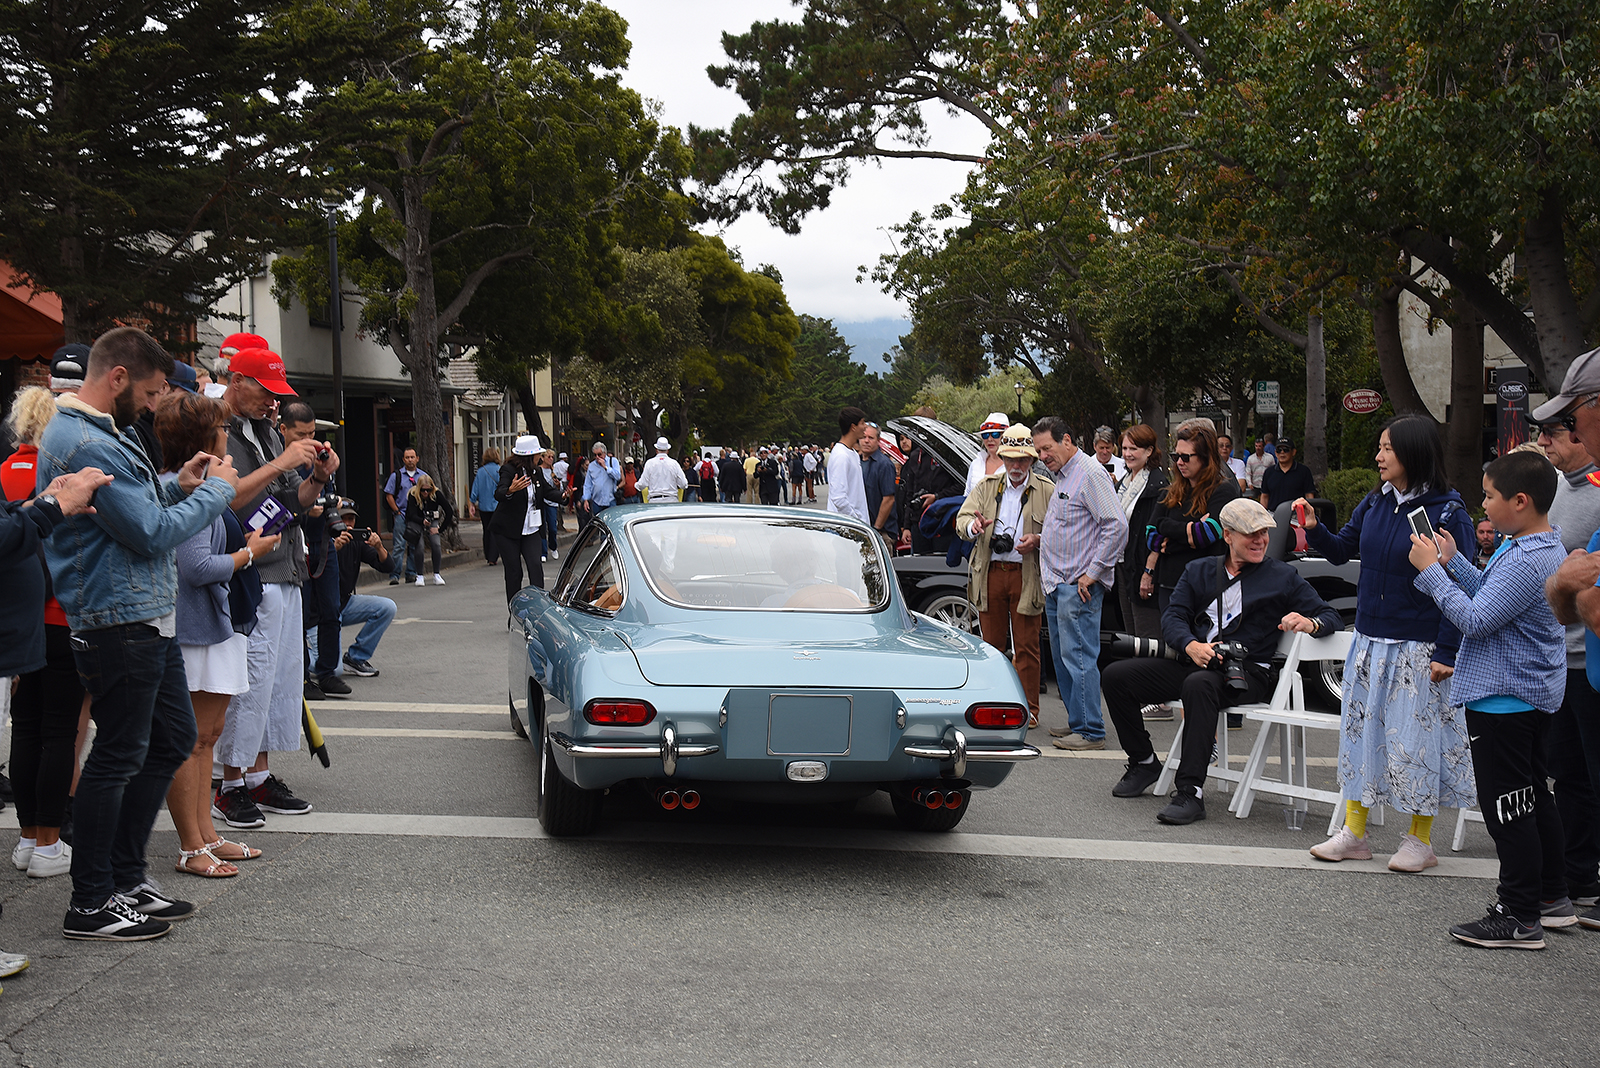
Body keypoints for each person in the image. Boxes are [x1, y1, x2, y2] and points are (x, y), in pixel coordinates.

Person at [37, 326, 238, 940]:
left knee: (170, 737)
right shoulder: (80, 437)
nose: (155, 406)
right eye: (151, 393)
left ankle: (122, 879)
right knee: (119, 755)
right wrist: (219, 492)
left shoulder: (101, 432)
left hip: (140, 613)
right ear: (117, 377)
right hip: (117, 616)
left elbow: (138, 510)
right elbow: (149, 534)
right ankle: (94, 898)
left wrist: (176, 485)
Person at [1299, 415, 1476, 870]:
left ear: (1414, 454)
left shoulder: (1448, 513)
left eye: (1387, 449)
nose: (1378, 457)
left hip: (1418, 648)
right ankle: (1354, 833)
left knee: (1416, 743)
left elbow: (1462, 586)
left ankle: (1420, 840)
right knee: (1362, 736)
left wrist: (1447, 650)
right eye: (1379, 447)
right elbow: (1342, 551)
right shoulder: (1376, 502)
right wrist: (1315, 528)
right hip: (1370, 641)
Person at [1408, 451, 1569, 947]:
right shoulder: (1534, 547)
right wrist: (1456, 562)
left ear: (1520, 502)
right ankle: (1549, 896)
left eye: (1489, 496)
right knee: (1533, 798)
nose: (1483, 504)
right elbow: (1496, 601)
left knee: (1507, 806)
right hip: (1527, 695)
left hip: (1505, 698)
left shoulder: (1525, 556)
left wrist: (1434, 573)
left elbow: (1476, 619)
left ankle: (1518, 914)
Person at [1103, 498, 1342, 824]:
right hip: (1196, 662)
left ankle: (1191, 792)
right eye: (1250, 534)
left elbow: (1330, 616)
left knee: (1198, 685)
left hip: (1246, 674)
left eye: (1264, 533)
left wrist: (1310, 623)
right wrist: (1190, 645)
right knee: (1116, 676)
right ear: (1228, 535)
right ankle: (1143, 761)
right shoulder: (1199, 570)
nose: (1260, 540)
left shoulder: (1282, 576)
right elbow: (1174, 616)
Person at [214, 345, 334, 832]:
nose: (273, 404)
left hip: (282, 566)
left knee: (279, 679)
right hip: (249, 570)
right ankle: (230, 783)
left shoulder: (260, 429)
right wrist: (283, 461)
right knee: (250, 679)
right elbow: (227, 496)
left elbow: (290, 501)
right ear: (237, 381)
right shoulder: (219, 431)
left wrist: (317, 479)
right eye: (267, 392)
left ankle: (257, 775)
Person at [158, 390, 274, 878]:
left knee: (207, 735)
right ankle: (191, 844)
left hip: (212, 624)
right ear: (207, 437)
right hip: (196, 627)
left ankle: (206, 834)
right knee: (191, 739)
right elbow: (197, 565)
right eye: (222, 428)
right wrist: (250, 554)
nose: (228, 434)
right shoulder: (188, 486)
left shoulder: (201, 484)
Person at [2, 388, 103, 881]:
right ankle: (47, 843)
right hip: (60, 613)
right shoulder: (68, 473)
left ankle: (28, 839)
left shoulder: (8, 469)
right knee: (61, 729)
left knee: (27, 727)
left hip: (24, 620)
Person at [1530, 417, 1600, 914]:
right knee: (1567, 774)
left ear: (1578, 436)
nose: (1543, 443)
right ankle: (1580, 879)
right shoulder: (1549, 487)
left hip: (1591, 652)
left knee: (1595, 775)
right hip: (1558, 656)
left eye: (1552, 434)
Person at [1032, 418, 1126, 749]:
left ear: (1067, 440)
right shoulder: (1065, 475)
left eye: (1047, 448)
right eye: (1039, 450)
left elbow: (1116, 526)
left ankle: (1090, 731)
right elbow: (1076, 528)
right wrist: (1041, 539)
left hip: (1078, 584)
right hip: (1061, 583)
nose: (1042, 455)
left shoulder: (1090, 473)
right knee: (1063, 656)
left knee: (1079, 656)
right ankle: (1078, 722)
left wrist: (1093, 572)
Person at [956, 425, 1056, 727]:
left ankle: (1029, 711)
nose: (1015, 466)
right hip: (990, 573)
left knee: (1027, 645)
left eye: (1022, 460)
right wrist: (973, 528)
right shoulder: (985, 486)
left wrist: (1037, 541)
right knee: (991, 646)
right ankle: (993, 704)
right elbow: (961, 519)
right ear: (1002, 457)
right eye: (1010, 459)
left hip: (1026, 574)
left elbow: (1060, 532)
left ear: (1032, 461)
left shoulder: (1046, 490)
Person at [278, 401, 347, 700]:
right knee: (302, 615)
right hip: (297, 544)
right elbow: (281, 505)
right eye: (300, 435)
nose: (307, 441)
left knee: (332, 609)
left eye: (311, 434)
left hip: (325, 544)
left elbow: (328, 494)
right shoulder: (280, 461)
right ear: (283, 429)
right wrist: (306, 512)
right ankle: (303, 678)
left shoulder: (319, 456)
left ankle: (328, 671)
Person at [1145, 423, 1241, 616]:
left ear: (1205, 458)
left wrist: (1167, 531)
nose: (1179, 462)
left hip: (1204, 586)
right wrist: (1189, 532)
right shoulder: (1172, 491)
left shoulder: (1223, 491)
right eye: (1176, 456)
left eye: (1186, 457)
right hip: (1169, 584)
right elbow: (1150, 535)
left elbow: (1208, 534)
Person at [329, 501, 397, 677]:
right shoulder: (322, 540)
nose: (348, 525)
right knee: (332, 670)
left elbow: (388, 566)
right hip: (320, 611)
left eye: (351, 519)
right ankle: (302, 659)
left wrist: (379, 546)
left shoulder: (356, 543)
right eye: (344, 519)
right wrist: (332, 548)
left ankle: (356, 658)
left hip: (344, 603)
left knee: (387, 607)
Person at [1118, 424, 1169, 644]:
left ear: (1149, 451)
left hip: (1143, 570)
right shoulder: (1125, 482)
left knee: (1147, 638)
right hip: (1123, 566)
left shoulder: (1158, 485)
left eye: (1134, 448)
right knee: (1130, 636)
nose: (1128, 454)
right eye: (1124, 448)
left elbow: (1159, 533)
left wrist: (1148, 573)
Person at [492, 435, 557, 602]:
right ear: (529, 456)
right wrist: (510, 490)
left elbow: (548, 491)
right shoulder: (508, 470)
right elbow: (499, 493)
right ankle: (514, 611)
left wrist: (564, 495)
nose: (540, 457)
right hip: (508, 530)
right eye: (538, 454)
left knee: (535, 566)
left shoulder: (537, 471)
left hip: (531, 528)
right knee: (514, 571)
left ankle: (539, 608)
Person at [384, 448, 427, 584]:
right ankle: (394, 575)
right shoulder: (396, 476)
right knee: (399, 546)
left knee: (414, 545)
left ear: (417, 458)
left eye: (412, 457)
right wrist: (396, 511)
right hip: (401, 515)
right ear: (403, 460)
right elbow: (389, 495)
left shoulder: (423, 476)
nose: (410, 460)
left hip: (416, 517)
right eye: (407, 457)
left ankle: (411, 573)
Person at [403, 474, 453, 587]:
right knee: (419, 546)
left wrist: (440, 529)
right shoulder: (413, 495)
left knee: (436, 544)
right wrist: (422, 521)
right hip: (417, 521)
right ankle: (419, 575)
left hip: (432, 520)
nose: (425, 493)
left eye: (428, 490)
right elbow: (411, 514)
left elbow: (449, 511)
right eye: (423, 490)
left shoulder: (436, 494)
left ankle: (436, 574)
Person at [827, 407, 871, 522]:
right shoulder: (841, 455)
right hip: (846, 527)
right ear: (853, 427)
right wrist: (855, 521)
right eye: (862, 423)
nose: (865, 426)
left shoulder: (852, 453)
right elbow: (838, 498)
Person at [857, 425, 897, 538]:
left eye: (871, 438)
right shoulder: (856, 461)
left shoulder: (884, 464)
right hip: (862, 528)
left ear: (878, 441)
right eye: (863, 437)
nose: (866, 441)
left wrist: (876, 528)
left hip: (881, 532)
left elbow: (889, 499)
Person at [1258, 436, 1316, 512]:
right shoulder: (1269, 472)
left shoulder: (1304, 471)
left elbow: (1309, 495)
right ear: (1275, 453)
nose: (1282, 452)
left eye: (1286, 450)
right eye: (1279, 450)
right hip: (1273, 515)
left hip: (1297, 516)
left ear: (1293, 452)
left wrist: (1309, 513)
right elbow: (1265, 496)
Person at [469, 447, 502, 566]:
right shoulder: (499, 470)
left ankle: (488, 555)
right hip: (497, 506)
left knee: (486, 530)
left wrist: (472, 503)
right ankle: (494, 556)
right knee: (495, 531)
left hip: (484, 506)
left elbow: (475, 489)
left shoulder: (481, 471)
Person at [580, 440, 622, 528]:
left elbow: (618, 476)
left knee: (611, 525)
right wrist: (586, 499)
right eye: (595, 455)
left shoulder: (613, 461)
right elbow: (588, 484)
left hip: (610, 499)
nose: (597, 457)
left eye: (599, 454)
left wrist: (606, 467)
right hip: (596, 501)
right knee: (599, 526)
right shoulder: (591, 466)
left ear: (604, 453)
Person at [966, 412, 1009, 494]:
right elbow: (967, 494)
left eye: (995, 434)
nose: (989, 439)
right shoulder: (975, 464)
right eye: (985, 435)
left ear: (1005, 436)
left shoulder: (1013, 465)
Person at [640, 436, 688, 503]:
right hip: (671, 500)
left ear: (656, 450)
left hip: (654, 501)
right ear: (668, 450)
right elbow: (683, 484)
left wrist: (636, 486)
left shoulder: (649, 463)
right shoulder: (674, 464)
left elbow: (642, 484)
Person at [539, 450, 564, 559]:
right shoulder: (539, 470)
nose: (550, 459)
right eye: (548, 457)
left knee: (552, 528)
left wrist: (559, 486)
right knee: (542, 527)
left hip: (552, 502)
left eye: (552, 457)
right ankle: (543, 552)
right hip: (541, 501)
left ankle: (553, 547)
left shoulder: (554, 471)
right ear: (543, 458)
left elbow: (560, 488)